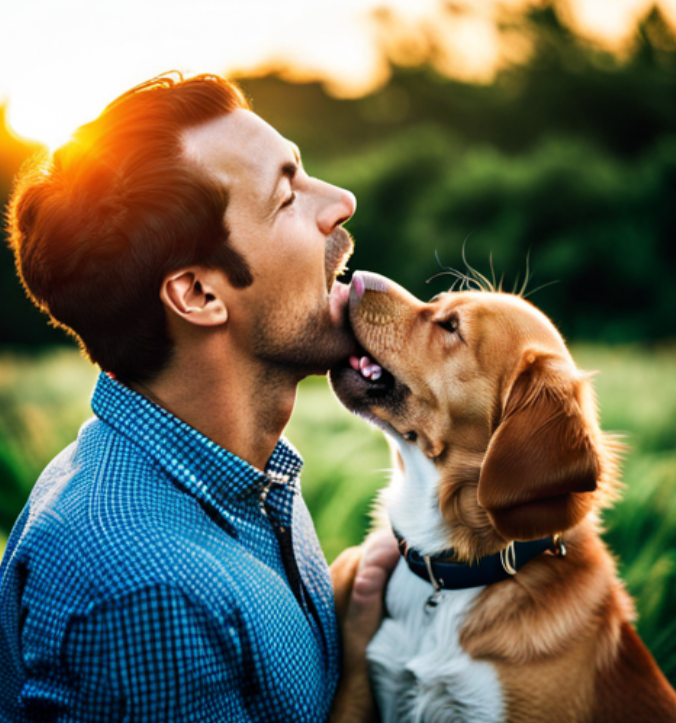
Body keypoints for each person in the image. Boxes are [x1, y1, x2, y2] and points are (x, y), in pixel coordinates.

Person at [0, 73, 399, 722]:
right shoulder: (145, 590)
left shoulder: (242, 468)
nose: (341, 200)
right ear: (199, 294)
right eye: (286, 195)